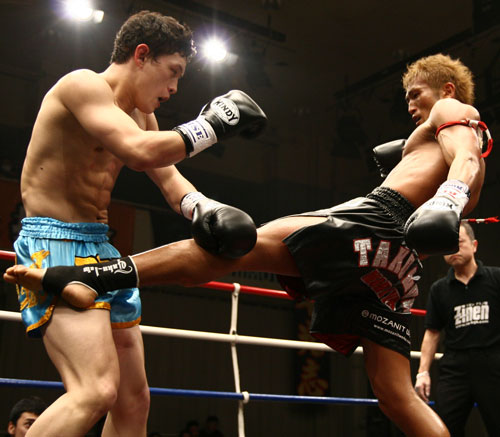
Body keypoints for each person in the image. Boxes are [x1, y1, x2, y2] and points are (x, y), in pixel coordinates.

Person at [5, 53, 491, 436]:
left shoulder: (453, 113)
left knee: (233, 247)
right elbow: (461, 173)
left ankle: (88, 275)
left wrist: (447, 198)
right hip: (399, 266)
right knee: (396, 397)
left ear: (446, 90)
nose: (410, 106)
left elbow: (466, 155)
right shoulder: (437, 146)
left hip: (376, 220)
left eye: (415, 94)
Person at [6, 9, 266, 437]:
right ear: (141, 55)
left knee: (132, 401)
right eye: (173, 72)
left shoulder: (141, 116)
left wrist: (204, 208)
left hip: (102, 249)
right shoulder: (82, 85)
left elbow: (169, 180)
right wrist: (213, 125)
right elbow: (139, 151)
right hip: (54, 243)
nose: (174, 88)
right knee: (95, 391)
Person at [414, 222, 500, 436]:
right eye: (448, 245)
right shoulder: (439, 289)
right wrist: (422, 372)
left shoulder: (496, 279)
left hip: (493, 363)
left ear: (474, 245)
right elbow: (432, 332)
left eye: (459, 243)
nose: (454, 249)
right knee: (443, 428)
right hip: (455, 368)